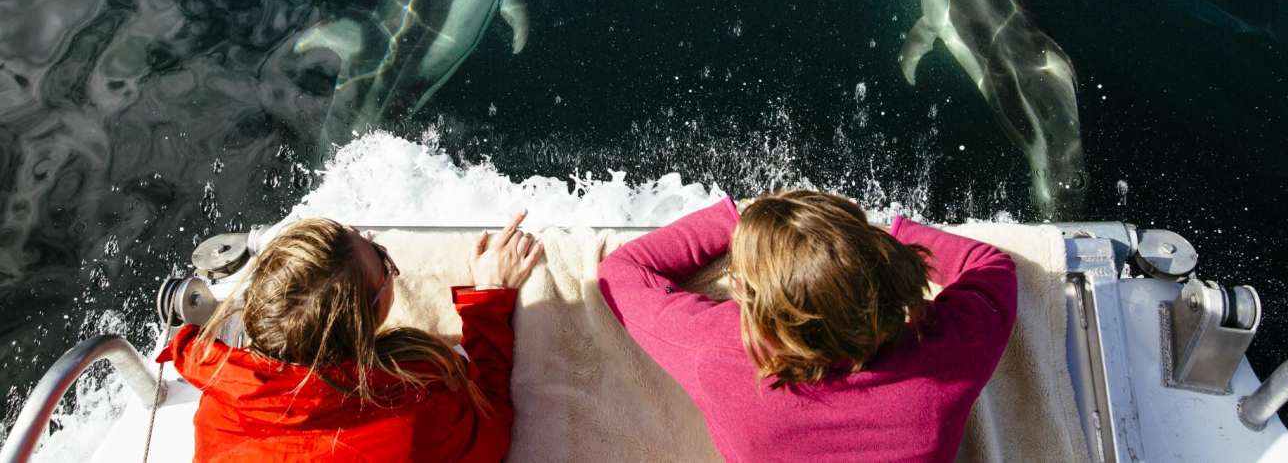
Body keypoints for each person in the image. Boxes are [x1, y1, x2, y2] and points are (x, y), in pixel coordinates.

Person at [597, 190, 1017, 463]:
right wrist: (881, 236)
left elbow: (620, 272)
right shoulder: (946, 354)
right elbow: (991, 265)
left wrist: (735, 218)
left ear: (745, 296)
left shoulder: (721, 353)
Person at [162, 211, 544, 462]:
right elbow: (489, 431)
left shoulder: (220, 402)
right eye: (381, 257)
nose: (370, 237)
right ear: (369, 317)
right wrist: (489, 298)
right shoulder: (413, 412)